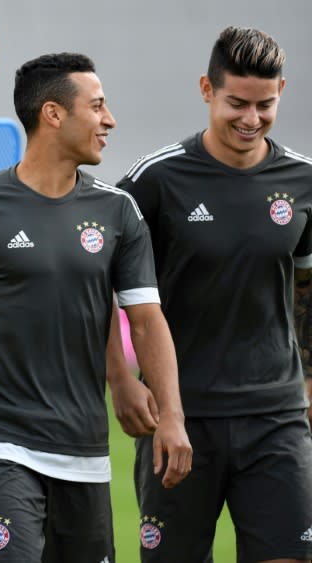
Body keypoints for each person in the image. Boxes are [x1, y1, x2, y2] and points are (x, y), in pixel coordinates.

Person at [0, 52, 192, 563]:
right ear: (53, 114)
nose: (109, 120)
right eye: (98, 106)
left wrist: (171, 415)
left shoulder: (119, 212)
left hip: (85, 450)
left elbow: (146, 320)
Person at [108, 26, 312, 563]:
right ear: (206, 90)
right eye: (236, 103)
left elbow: (306, 289)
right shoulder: (155, 181)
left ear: (281, 92)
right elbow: (98, 289)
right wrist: (122, 380)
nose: (251, 119)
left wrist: (308, 383)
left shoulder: (303, 181)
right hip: (180, 417)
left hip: (277, 418)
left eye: (265, 105)